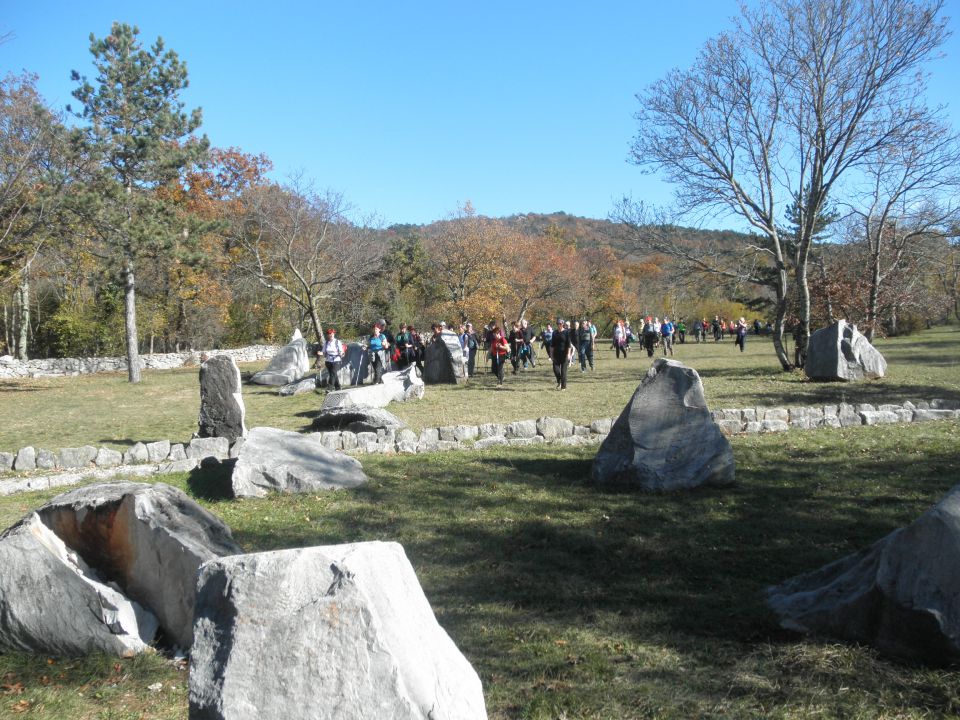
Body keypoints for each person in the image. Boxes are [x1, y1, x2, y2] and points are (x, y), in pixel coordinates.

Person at [550, 319, 574, 390]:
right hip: (556, 354)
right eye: (557, 324)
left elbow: (569, 344)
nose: (559, 325)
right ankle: (559, 381)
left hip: (564, 354)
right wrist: (551, 355)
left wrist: (569, 354)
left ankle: (563, 387)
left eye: (560, 324)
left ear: (563, 324)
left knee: (563, 371)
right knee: (555, 370)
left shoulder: (566, 332)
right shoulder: (554, 333)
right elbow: (552, 345)